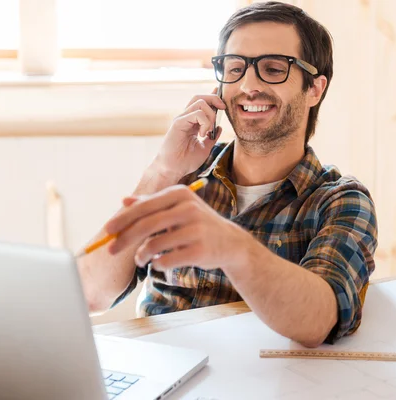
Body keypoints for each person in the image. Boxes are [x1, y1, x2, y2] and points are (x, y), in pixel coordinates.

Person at [77, 1, 377, 348]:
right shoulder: (183, 177)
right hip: (159, 373)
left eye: (273, 68)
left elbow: (320, 320)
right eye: (234, 67)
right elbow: (90, 293)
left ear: (314, 88)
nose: (248, 85)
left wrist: (233, 248)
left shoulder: (341, 201)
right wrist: (162, 170)